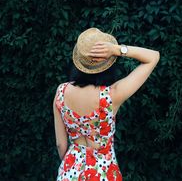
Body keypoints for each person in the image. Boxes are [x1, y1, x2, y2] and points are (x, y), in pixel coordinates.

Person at [53, 27, 160, 180]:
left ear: (79, 62)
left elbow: (60, 144)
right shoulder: (111, 95)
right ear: (108, 64)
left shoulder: (61, 92)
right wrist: (117, 50)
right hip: (103, 173)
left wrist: (72, 168)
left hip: (69, 171)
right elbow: (153, 57)